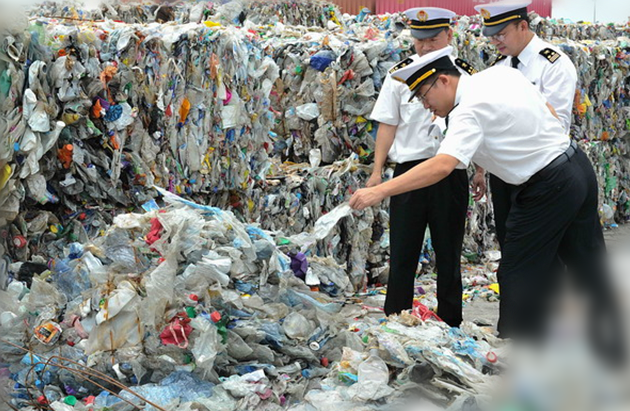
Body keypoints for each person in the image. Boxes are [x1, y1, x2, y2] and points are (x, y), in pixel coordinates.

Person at [350, 47, 623, 361]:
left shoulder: (468, 110)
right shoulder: (499, 75)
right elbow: (547, 109)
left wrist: (381, 190)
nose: (426, 107)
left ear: (442, 81)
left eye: (425, 97)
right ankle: (610, 350)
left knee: (518, 275)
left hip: (546, 185)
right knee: (587, 264)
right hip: (576, 168)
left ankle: (518, 360)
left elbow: (442, 165)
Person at [368, 7, 477, 327]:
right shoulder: (399, 74)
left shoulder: (464, 73)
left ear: (449, 35)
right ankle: (396, 318)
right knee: (403, 251)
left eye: (433, 39)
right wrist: (377, 171)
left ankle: (451, 321)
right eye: (420, 40)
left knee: (449, 254)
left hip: (451, 172)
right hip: (408, 173)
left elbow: (478, 126)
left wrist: (480, 170)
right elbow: (387, 124)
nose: (426, 46)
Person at [473, 0, 578, 251]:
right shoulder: (500, 65)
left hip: (539, 171)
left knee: (539, 246)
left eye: (501, 34)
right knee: (508, 240)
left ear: (522, 26)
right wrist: (480, 169)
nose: (495, 41)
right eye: (491, 36)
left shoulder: (552, 63)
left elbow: (557, 125)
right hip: (504, 173)